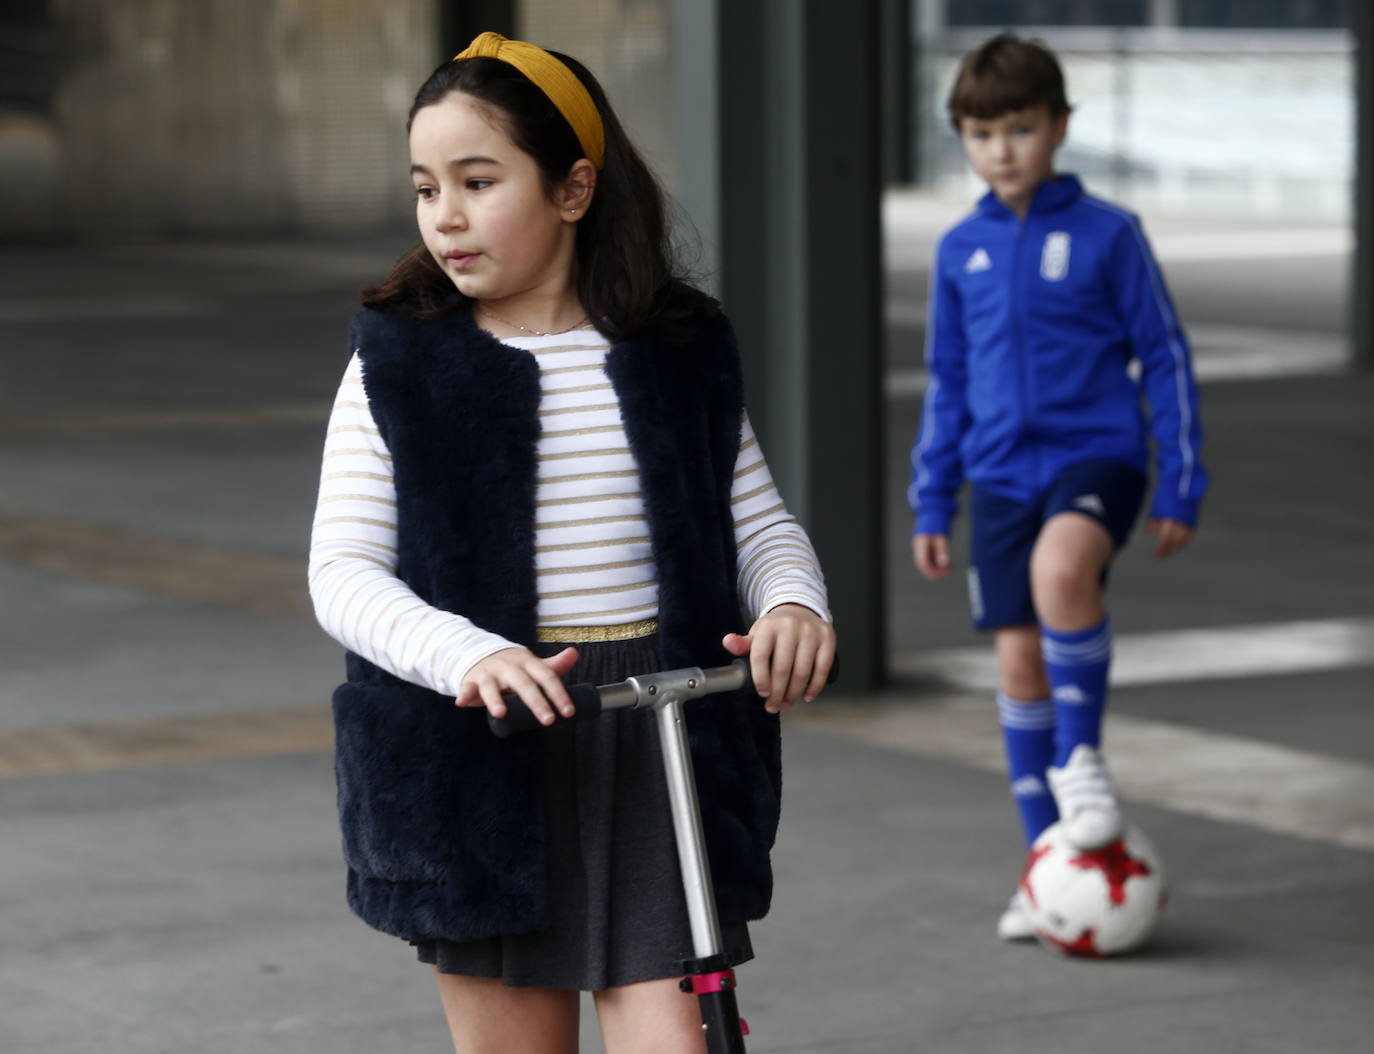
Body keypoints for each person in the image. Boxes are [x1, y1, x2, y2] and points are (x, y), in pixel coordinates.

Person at [307, 31, 837, 1054]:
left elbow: (758, 524)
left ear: (573, 188)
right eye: (426, 187)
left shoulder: (674, 347)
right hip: (486, 741)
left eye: (477, 179)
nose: (444, 216)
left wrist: (792, 604)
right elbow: (341, 572)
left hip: (659, 739)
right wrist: (470, 652)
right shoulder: (403, 359)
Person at [907, 32, 1207, 943]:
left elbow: (1163, 355)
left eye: (1021, 128)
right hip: (998, 477)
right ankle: (1047, 865)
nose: (1001, 149)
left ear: (1061, 127)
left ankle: (1083, 763)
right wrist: (933, 495)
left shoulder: (1110, 235)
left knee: (1060, 575)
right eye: (981, 132)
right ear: (963, 137)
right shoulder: (962, 250)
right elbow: (948, 380)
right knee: (1016, 663)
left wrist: (1179, 482)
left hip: (1096, 460)